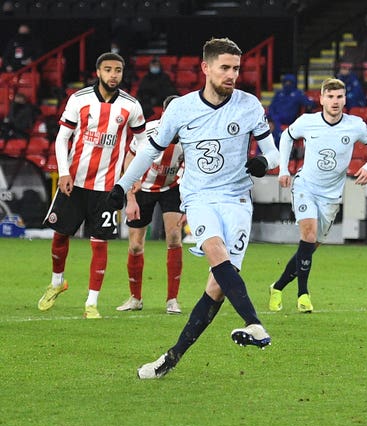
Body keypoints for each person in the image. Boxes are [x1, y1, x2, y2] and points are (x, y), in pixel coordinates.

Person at [106, 37, 280, 379]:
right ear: (206, 68)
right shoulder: (182, 109)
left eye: (236, 69)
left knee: (217, 287)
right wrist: (122, 186)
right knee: (216, 252)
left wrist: (262, 162)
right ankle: (255, 324)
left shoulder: (249, 105)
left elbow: (273, 153)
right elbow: (148, 151)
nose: (232, 75)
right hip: (199, 198)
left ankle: (170, 359)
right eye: (225, 68)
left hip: (238, 201)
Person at [37, 52, 146, 318]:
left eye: (118, 70)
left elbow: (143, 142)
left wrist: (131, 175)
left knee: (100, 243)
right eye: (108, 69)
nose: (113, 75)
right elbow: (62, 138)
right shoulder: (79, 99)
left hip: (108, 187)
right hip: (74, 182)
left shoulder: (131, 106)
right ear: (98, 72)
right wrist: (64, 173)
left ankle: (91, 303)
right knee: (60, 235)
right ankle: (56, 283)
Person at [268, 77, 367, 313]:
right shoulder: (307, 122)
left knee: (309, 247)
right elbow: (288, 137)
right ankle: (303, 294)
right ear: (321, 99)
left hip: (331, 196)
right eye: (330, 96)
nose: (335, 101)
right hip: (305, 187)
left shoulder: (355, 125)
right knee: (308, 235)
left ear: (344, 99)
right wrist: (283, 168)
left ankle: (277, 287)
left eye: (339, 97)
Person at [117, 95, 184, 315]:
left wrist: (188, 205)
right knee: (136, 245)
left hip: (171, 188)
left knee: (174, 239)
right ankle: (135, 298)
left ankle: (172, 300)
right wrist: (130, 198)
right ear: (164, 113)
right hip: (142, 189)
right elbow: (129, 159)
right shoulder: (146, 132)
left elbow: (194, 169)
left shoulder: (191, 135)